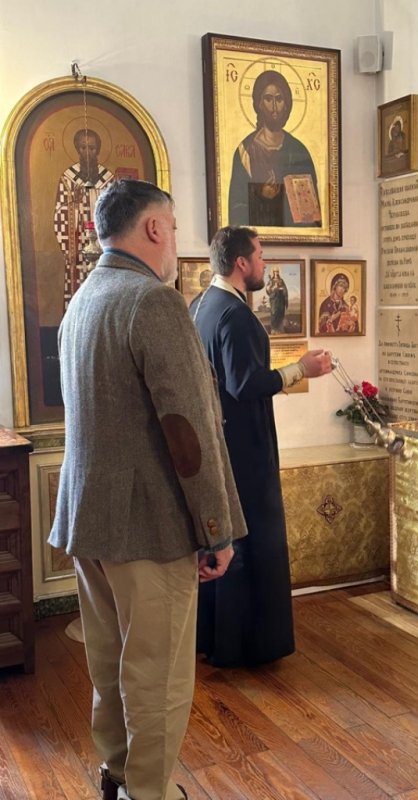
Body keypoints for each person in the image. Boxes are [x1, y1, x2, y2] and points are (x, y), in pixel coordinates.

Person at [49, 180, 247, 800]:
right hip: (148, 526)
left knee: (109, 663)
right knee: (157, 677)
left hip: (88, 519)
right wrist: (216, 530)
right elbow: (189, 431)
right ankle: (149, 793)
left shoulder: (83, 299)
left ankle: (116, 775)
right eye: (175, 228)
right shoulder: (152, 301)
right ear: (154, 228)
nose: (175, 241)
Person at [190, 225, 332, 667]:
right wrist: (300, 370)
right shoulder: (235, 315)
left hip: (218, 443)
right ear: (241, 263)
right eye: (261, 254)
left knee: (227, 540)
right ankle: (248, 646)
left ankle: (214, 639)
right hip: (244, 448)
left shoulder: (201, 305)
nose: (265, 263)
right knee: (254, 541)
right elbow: (245, 384)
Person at [228, 70, 321, 228]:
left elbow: (311, 216)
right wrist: (261, 196)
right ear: (259, 103)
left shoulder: (299, 151)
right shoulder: (245, 151)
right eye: (268, 99)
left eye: (279, 99)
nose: (274, 107)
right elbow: (236, 210)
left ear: (286, 105)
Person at [53, 128, 114, 309]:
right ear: (77, 149)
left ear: (98, 150)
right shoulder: (68, 178)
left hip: (104, 252)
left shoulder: (108, 179)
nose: (87, 153)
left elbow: (116, 214)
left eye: (92, 148)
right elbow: (60, 215)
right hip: (78, 252)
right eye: (83, 148)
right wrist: (74, 203)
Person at [265, 266, 288, 333]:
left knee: (280, 312)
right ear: (273, 272)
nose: (276, 273)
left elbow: (285, 289)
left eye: (277, 271)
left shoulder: (281, 280)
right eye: (275, 271)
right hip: (274, 299)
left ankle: (280, 328)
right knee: (274, 313)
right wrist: (273, 288)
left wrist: (282, 290)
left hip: (281, 299)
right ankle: (274, 328)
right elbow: (268, 290)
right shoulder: (271, 281)